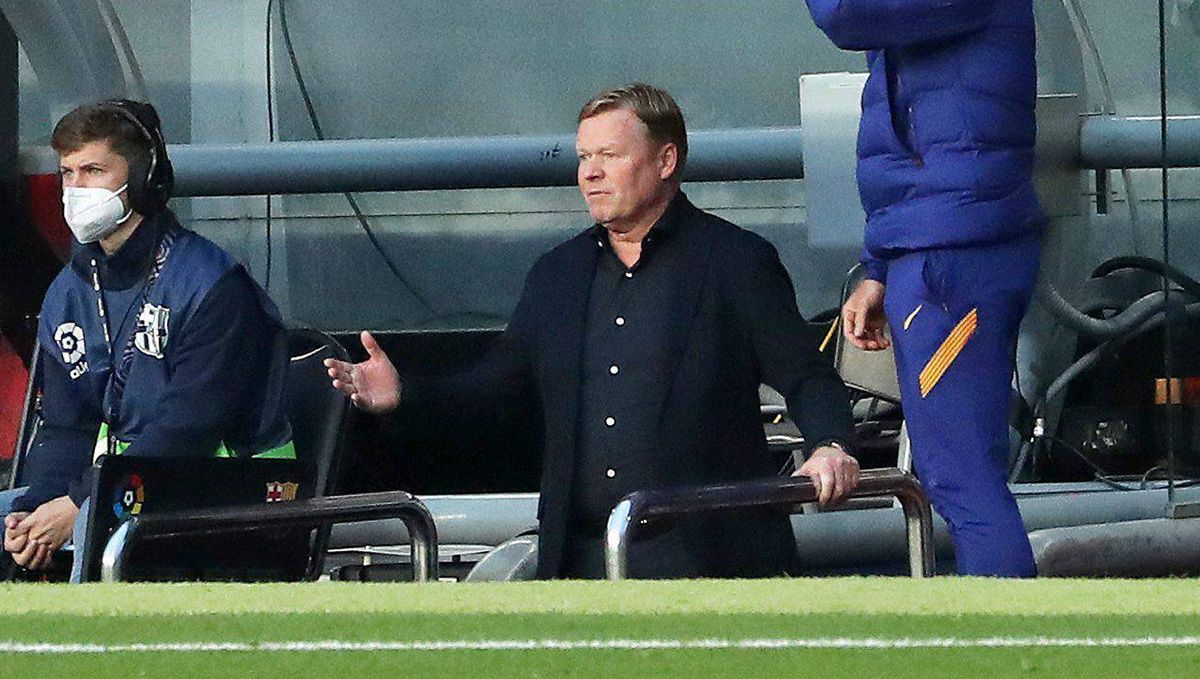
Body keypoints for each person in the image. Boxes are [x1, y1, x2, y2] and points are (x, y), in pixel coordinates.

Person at [327, 83, 860, 579]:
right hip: (579, 561)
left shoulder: (736, 261)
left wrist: (830, 445)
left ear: (666, 161)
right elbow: (497, 389)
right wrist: (404, 394)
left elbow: (807, 376)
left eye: (610, 155)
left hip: (709, 557)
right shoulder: (557, 274)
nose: (590, 173)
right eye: (584, 157)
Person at [1, 100, 294, 581]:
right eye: (68, 173)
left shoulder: (210, 284)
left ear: (142, 179)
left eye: (93, 171)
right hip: (128, 488)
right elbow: (66, 428)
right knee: (12, 520)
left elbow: (187, 430)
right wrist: (35, 511)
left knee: (93, 521)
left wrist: (79, 503)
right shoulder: (69, 292)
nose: (75, 189)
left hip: (230, 494)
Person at [804, 0, 1044, 576]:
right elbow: (908, 132)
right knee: (954, 471)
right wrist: (879, 267)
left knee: (961, 474)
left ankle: (1007, 628)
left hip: (954, 250)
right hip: (935, 243)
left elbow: (845, 15)